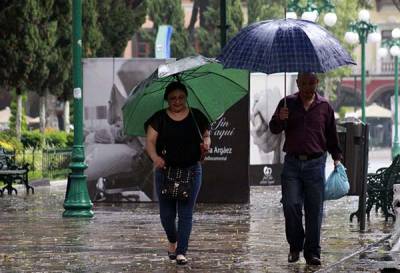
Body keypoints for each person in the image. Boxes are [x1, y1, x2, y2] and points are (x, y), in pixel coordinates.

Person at [269, 72, 342, 266]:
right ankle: (295, 245)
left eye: (312, 83)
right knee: (290, 205)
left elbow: (331, 135)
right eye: (304, 83)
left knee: (314, 210)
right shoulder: (287, 103)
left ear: (317, 82)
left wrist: (337, 158)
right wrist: (279, 118)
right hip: (292, 163)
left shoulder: (325, 106)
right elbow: (274, 129)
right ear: (298, 83)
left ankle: (312, 252)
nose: (309, 87)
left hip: (316, 164)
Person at [144, 81, 211, 265]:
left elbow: (206, 135)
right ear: (167, 99)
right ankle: (173, 240)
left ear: (186, 97)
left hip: (191, 170)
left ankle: (182, 251)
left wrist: (206, 144)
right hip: (165, 172)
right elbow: (150, 141)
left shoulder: (196, 116)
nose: (177, 101)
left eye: (181, 97)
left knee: (185, 213)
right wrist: (155, 157)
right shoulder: (159, 118)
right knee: (166, 215)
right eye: (173, 98)